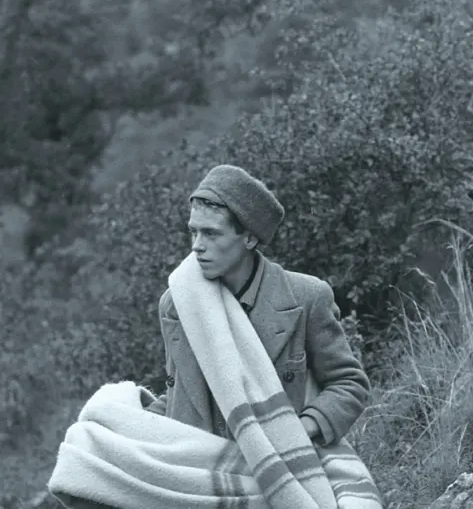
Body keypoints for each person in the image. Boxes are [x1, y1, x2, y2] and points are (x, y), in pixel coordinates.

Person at [143, 164, 370, 447]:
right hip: (195, 463)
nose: (197, 246)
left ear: (249, 238)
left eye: (211, 234)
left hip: (276, 460)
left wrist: (302, 430)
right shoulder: (176, 302)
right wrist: (125, 425)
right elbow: (182, 395)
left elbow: (349, 384)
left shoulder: (307, 297)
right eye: (193, 232)